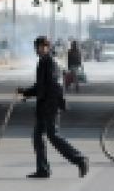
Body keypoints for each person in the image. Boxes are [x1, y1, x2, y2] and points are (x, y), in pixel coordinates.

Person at [17, 37, 88, 179]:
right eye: (38, 47)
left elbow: (56, 86)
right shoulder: (43, 62)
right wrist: (25, 92)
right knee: (38, 136)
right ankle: (43, 169)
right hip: (43, 105)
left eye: (43, 47)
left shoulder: (50, 63)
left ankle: (80, 159)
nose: (40, 49)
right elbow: (40, 86)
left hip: (50, 106)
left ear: (48, 48)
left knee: (53, 136)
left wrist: (53, 104)